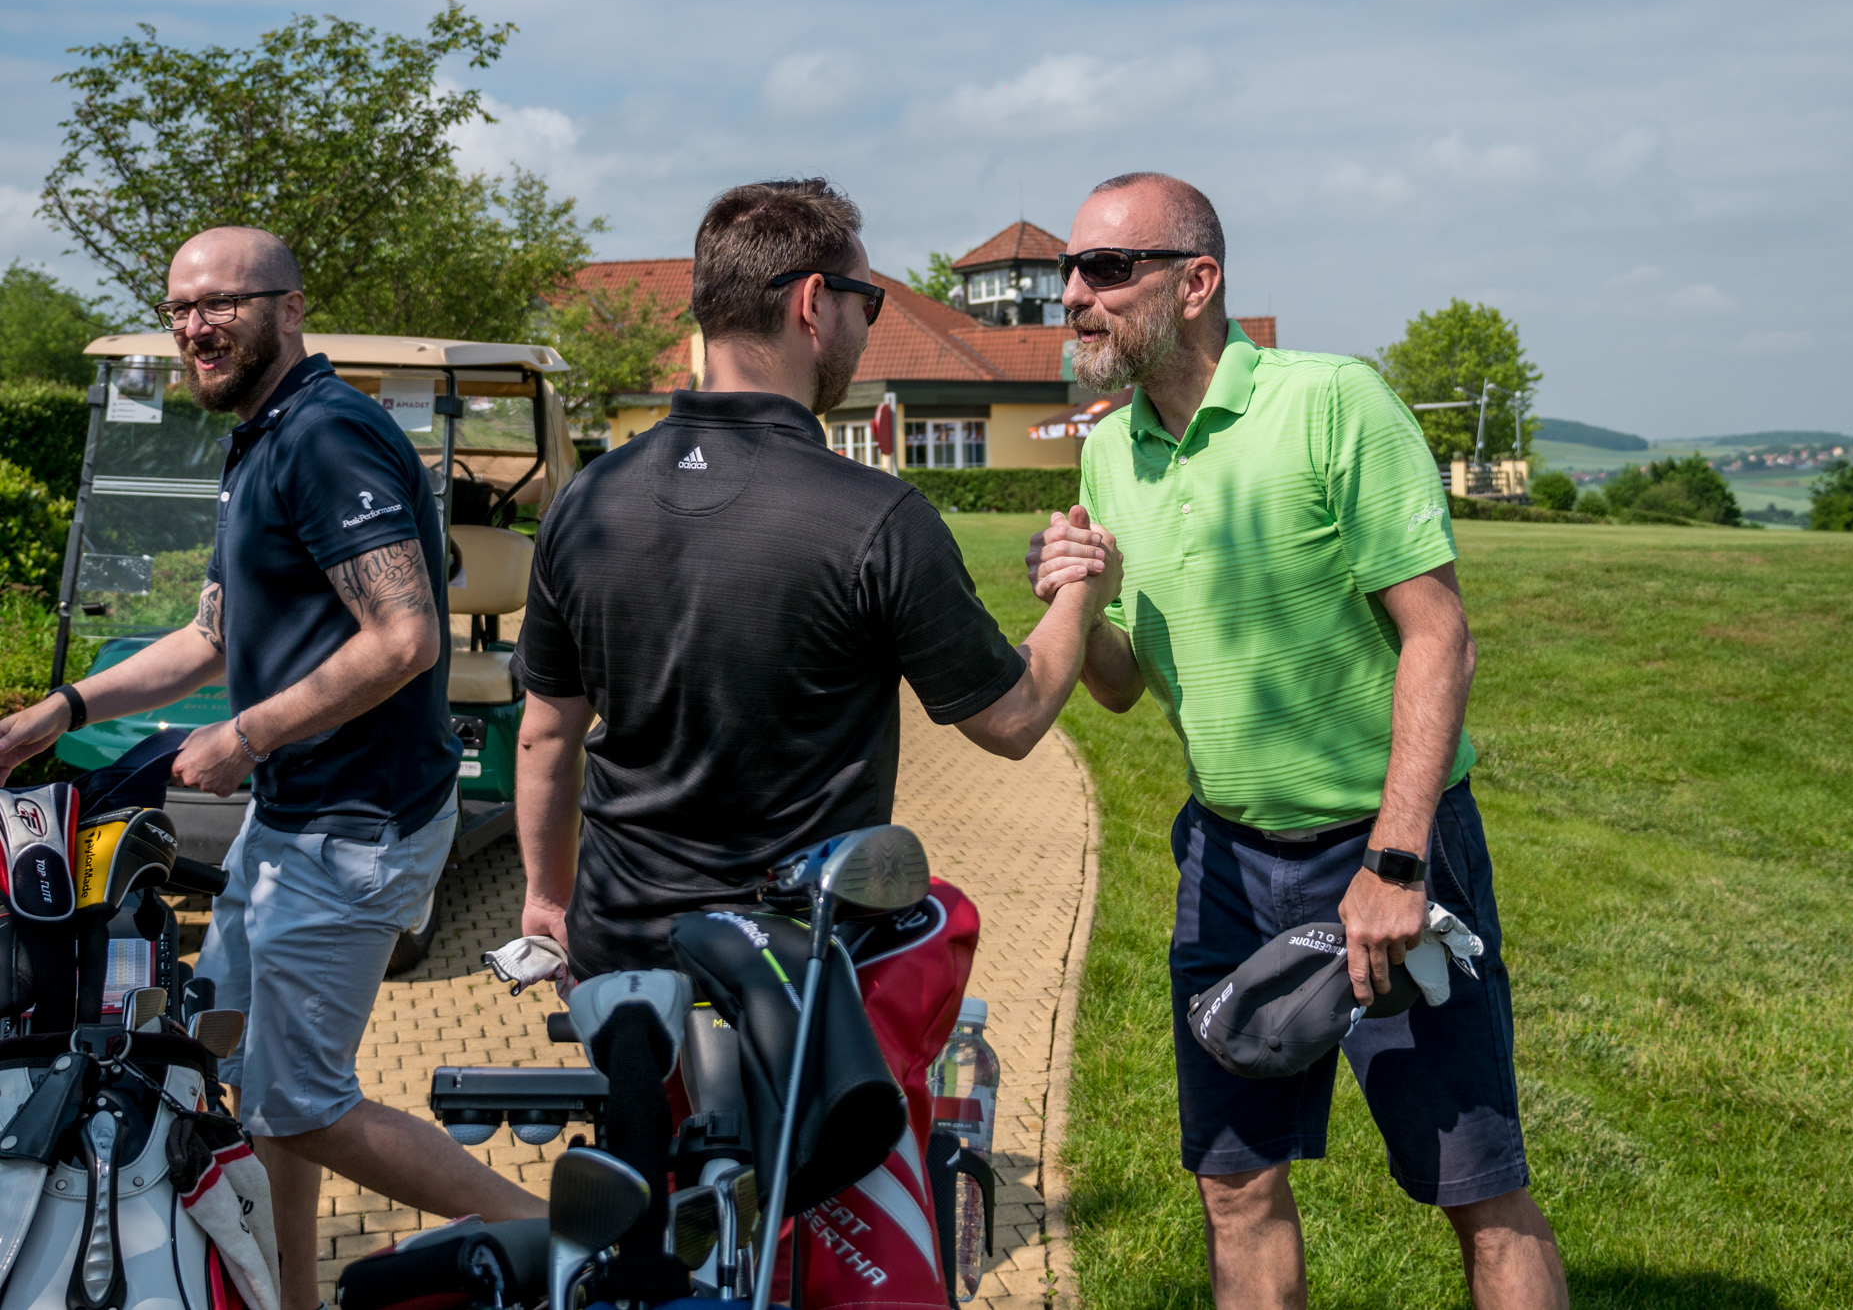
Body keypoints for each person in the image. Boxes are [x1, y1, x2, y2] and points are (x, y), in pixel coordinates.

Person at [1026, 174, 1568, 1310]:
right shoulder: (1111, 452)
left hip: (1384, 848)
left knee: (1473, 1184)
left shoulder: (1332, 403)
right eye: (1065, 272)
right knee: (1234, 1184)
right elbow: (1118, 688)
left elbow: (1439, 638)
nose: (1073, 294)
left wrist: (1396, 862)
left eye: (1106, 269)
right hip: (1225, 865)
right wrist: (1085, 597)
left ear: (1195, 282)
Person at [0, 227, 544, 1310]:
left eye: (221, 303)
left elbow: (404, 637)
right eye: (180, 308)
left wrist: (246, 737)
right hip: (294, 820)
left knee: (302, 1103)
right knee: (242, 1077)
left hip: (354, 825)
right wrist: (64, 708)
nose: (196, 326)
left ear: (289, 307)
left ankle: (566, 1238)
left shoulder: (327, 438)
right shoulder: (263, 439)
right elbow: (211, 636)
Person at [510, 178, 1119, 978]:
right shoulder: (878, 518)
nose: (866, 330)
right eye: (866, 304)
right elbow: (1012, 716)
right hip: (799, 970)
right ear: (813, 303)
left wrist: (546, 896)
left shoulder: (588, 501)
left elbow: (547, 732)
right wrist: (1083, 586)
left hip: (617, 954)